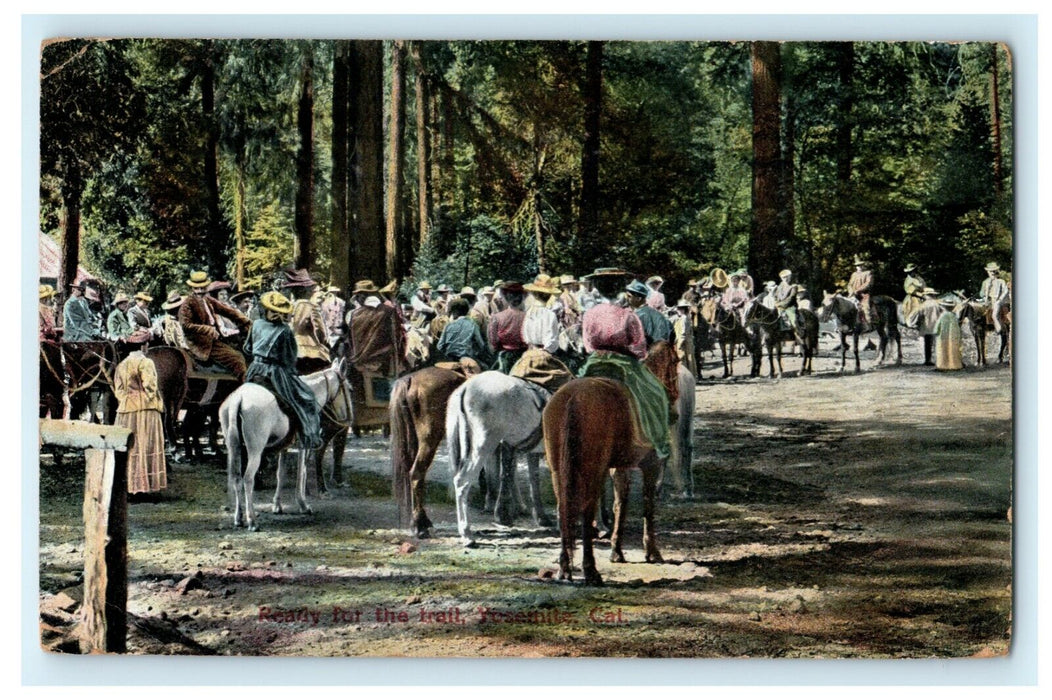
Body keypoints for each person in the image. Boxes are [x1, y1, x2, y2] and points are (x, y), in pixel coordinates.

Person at [578, 268, 669, 462]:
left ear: (598, 289)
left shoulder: (589, 314)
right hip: (624, 363)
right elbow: (640, 349)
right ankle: (656, 443)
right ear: (620, 289)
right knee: (655, 393)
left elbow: (587, 345)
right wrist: (631, 353)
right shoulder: (628, 315)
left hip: (594, 362)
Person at [243, 291, 322, 448]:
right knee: (305, 397)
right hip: (275, 373)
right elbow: (290, 357)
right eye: (273, 311)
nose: (275, 315)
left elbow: (247, 348)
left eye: (278, 312)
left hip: (254, 370)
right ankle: (309, 436)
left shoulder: (256, 324)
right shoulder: (285, 330)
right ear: (266, 309)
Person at [113, 349, 167, 497]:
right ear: (145, 345)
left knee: (130, 448)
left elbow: (118, 390)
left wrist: (127, 400)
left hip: (125, 409)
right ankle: (145, 487)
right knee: (145, 444)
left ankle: (130, 486)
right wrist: (150, 398)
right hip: (146, 409)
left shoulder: (121, 365)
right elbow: (150, 386)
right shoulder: (145, 362)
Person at [179, 270, 251, 381]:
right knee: (237, 359)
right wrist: (208, 329)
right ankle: (246, 387)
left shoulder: (208, 300)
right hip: (201, 342)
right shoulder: (187, 304)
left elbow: (227, 311)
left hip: (215, 337)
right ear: (192, 289)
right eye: (197, 288)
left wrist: (246, 322)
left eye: (203, 288)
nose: (200, 291)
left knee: (242, 348)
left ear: (206, 287)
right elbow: (186, 325)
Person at [345, 279, 406, 378]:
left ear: (359, 297)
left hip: (361, 365)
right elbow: (397, 336)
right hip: (385, 363)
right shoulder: (389, 311)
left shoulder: (354, 314)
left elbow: (350, 340)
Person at [283, 268, 330, 373]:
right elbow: (320, 331)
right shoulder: (310, 307)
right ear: (305, 291)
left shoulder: (289, 307)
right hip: (310, 352)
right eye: (310, 288)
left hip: (292, 351)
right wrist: (323, 342)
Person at [436, 298, 492, 367]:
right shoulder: (473, 324)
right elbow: (481, 344)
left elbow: (439, 346)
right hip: (467, 358)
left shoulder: (448, 325)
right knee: (486, 368)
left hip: (449, 358)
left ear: (455, 312)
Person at [487, 281, 529, 373]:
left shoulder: (497, 317)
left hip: (504, 357)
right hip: (524, 358)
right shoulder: (528, 316)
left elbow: (493, 343)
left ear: (505, 297)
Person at [626, 279, 672, 346]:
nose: (626, 298)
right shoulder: (660, 315)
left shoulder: (635, 317)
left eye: (629, 296)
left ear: (638, 298)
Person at [907, 287, 942, 366]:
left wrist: (913, 324)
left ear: (926, 296)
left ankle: (928, 360)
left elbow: (912, 317)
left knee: (928, 344)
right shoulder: (938, 304)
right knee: (938, 344)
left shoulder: (923, 306)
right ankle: (940, 360)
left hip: (927, 327)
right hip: (937, 326)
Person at [978, 262, 1011, 333]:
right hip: (988, 300)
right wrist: (984, 294)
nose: (992, 273)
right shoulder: (985, 282)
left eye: (994, 271)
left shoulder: (1000, 281)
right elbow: (981, 293)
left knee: (994, 315)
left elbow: (1005, 291)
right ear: (988, 272)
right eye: (990, 271)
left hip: (998, 300)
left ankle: (999, 330)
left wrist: (999, 299)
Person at [934, 297, 963, 371]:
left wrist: (936, 332)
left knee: (943, 350)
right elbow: (958, 327)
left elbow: (937, 326)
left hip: (942, 336)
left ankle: (943, 365)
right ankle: (954, 365)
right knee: (953, 350)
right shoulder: (954, 316)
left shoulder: (942, 316)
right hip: (953, 337)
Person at [671, 298, 697, 377]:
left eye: (680, 309)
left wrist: (679, 344)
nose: (678, 310)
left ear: (683, 309)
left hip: (684, 342)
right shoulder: (682, 318)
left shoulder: (684, 318)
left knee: (683, 359)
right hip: (687, 341)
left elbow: (683, 332)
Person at [847, 256, 875, 327]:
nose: (859, 267)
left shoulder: (868, 273)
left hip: (864, 295)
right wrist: (851, 291)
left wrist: (857, 290)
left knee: (865, 307)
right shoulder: (854, 274)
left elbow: (868, 284)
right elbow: (850, 284)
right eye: (857, 266)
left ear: (863, 265)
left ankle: (868, 324)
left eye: (860, 265)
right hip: (853, 295)